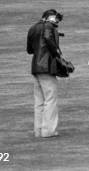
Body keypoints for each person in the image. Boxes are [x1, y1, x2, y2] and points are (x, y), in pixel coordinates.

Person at [27, 9, 64, 138]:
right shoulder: (48, 26)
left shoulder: (33, 28)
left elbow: (29, 50)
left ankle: (38, 130)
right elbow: (48, 38)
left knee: (39, 101)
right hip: (47, 67)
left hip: (35, 67)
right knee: (50, 99)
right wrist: (57, 54)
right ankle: (48, 131)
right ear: (49, 17)